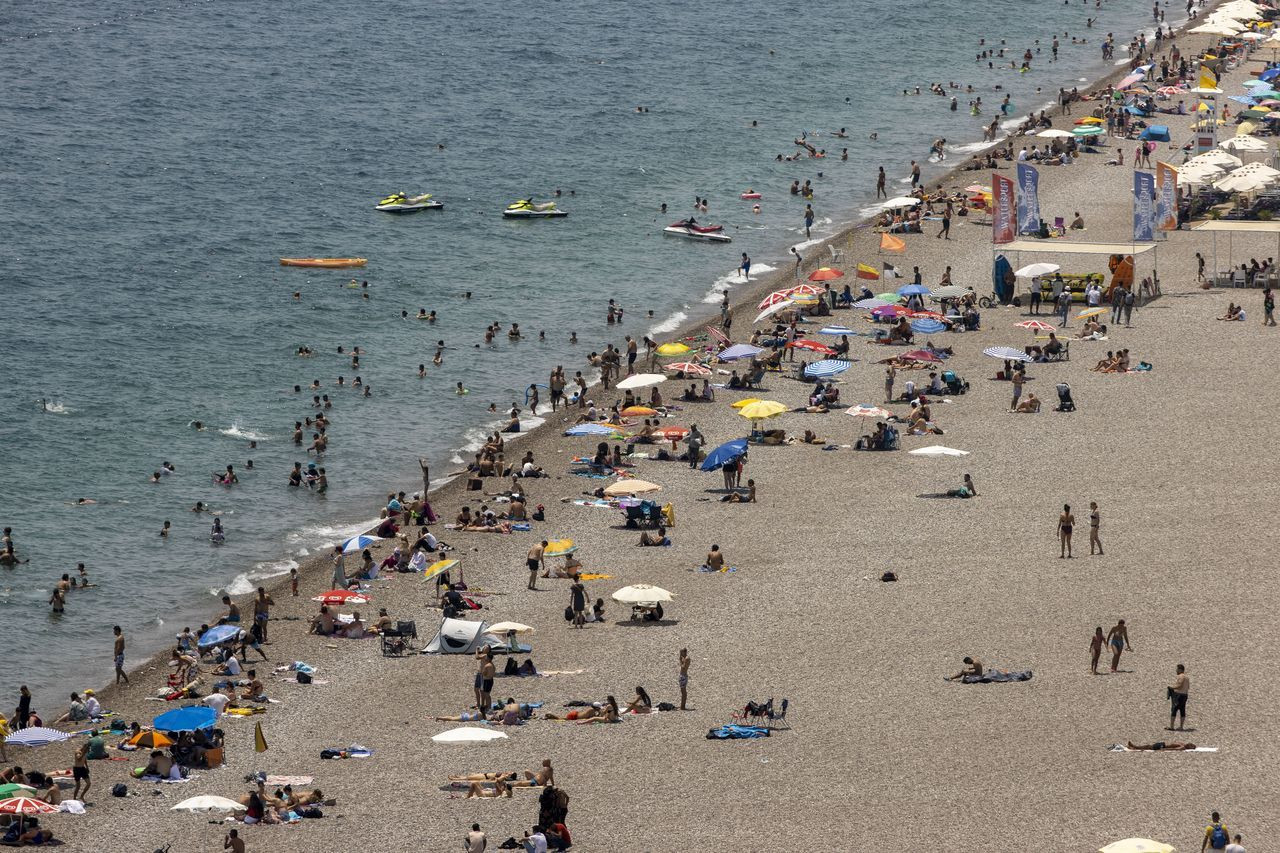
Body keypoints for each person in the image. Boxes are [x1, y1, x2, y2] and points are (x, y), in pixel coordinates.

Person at [1169, 663, 1189, 730]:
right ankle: (1181, 726)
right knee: (1182, 710)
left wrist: (1172, 687)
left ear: (1180, 670)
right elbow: (1188, 687)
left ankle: (1172, 726)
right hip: (1185, 695)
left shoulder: (1181, 676)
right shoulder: (1187, 677)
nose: (1176, 670)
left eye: (1177, 669)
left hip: (1179, 695)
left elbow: (1180, 685)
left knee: (1174, 709)